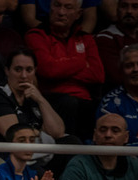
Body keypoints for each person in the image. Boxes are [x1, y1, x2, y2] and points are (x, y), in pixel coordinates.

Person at [24, 0, 104, 140]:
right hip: (52, 99)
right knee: (69, 103)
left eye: (68, 7)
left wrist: (61, 68)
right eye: (57, 5)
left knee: (96, 107)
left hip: (84, 101)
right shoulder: (36, 35)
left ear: (78, 14)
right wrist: (80, 62)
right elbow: (48, 70)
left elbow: (98, 75)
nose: (61, 12)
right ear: (50, 8)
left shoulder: (86, 38)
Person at [0, 48, 68, 145]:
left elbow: (58, 133)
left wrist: (41, 100)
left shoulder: (34, 96)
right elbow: (18, 137)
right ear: (7, 71)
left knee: (70, 141)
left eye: (29, 70)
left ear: (35, 71)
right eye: (18, 69)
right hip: (6, 154)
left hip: (37, 151)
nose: (24, 76)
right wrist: (44, 135)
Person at [98, 44, 138, 159]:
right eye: (129, 65)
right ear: (121, 71)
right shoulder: (110, 103)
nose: (136, 69)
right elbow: (110, 147)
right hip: (129, 169)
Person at [96, 0, 138, 88]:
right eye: (124, 6)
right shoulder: (105, 38)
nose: (129, 11)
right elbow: (117, 76)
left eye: (135, 7)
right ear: (117, 9)